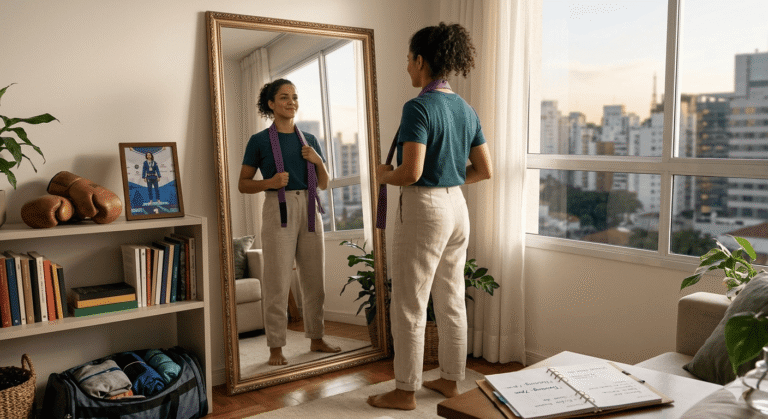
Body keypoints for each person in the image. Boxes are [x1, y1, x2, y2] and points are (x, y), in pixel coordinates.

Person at [368, 23, 493, 410]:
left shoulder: (418, 107)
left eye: (408, 59)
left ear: (421, 60)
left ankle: (405, 391)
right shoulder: (465, 109)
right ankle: (452, 382)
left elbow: (411, 172)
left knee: (409, 301)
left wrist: (383, 175)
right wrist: (450, 181)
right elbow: (485, 169)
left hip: (424, 208)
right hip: (457, 206)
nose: (406, 66)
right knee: (451, 297)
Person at [238, 78, 341, 366]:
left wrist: (318, 160)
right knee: (277, 282)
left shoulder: (310, 139)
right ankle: (275, 348)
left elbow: (323, 183)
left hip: (310, 207)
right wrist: (269, 182)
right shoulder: (259, 141)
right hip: (276, 208)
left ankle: (317, 338)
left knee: (314, 280)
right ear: (271, 104)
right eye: (284, 97)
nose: (291, 102)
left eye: (294, 96)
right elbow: (243, 184)